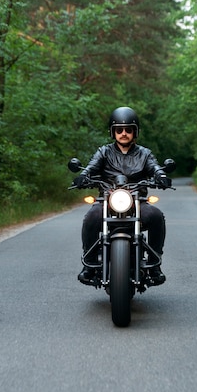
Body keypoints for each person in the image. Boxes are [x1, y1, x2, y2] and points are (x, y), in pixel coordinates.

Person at [72, 106, 171, 285]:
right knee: (91, 217)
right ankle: (90, 265)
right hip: (107, 201)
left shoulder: (144, 154)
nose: (123, 133)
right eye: (119, 129)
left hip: (137, 202)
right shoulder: (104, 152)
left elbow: (155, 167)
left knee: (156, 216)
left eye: (128, 129)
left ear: (135, 132)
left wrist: (161, 175)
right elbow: (91, 167)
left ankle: (154, 264)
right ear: (113, 131)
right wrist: (83, 176)